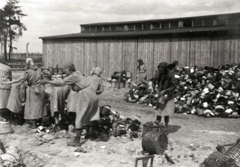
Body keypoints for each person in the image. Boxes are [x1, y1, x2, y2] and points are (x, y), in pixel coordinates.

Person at [40, 64, 104, 147]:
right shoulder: (85, 76)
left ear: (70, 70)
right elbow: (100, 90)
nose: (64, 71)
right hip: (93, 95)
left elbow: (61, 83)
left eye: (65, 69)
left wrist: (47, 81)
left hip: (85, 94)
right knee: (92, 115)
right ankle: (97, 133)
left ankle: (77, 140)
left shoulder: (73, 76)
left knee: (80, 116)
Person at [1, 58, 46, 128]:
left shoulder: (28, 72)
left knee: (33, 107)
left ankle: (34, 125)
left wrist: (8, 82)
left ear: (27, 65)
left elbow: (19, 80)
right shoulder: (40, 70)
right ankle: (40, 123)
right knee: (40, 107)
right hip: (41, 89)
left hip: (34, 90)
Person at [153, 62, 176, 132]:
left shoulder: (171, 74)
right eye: (159, 70)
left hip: (168, 94)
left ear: (165, 69)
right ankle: (157, 124)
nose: (160, 71)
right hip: (160, 93)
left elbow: (174, 86)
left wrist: (165, 91)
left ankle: (166, 125)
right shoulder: (158, 73)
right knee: (159, 111)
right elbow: (154, 81)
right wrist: (154, 89)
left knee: (166, 111)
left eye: (161, 70)